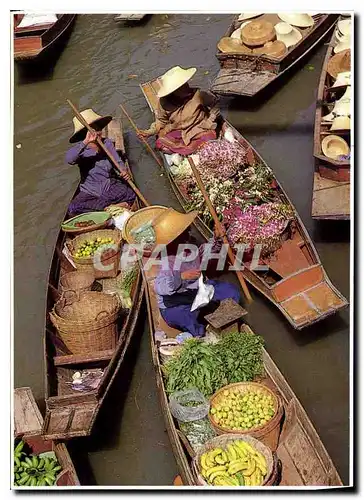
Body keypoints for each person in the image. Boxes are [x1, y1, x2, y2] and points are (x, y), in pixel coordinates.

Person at [152, 208, 240, 337]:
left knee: (230, 291)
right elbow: (160, 287)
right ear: (177, 238)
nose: (189, 231)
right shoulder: (167, 260)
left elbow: (208, 251)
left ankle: (220, 324)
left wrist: (217, 238)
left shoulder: (190, 247)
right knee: (185, 318)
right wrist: (181, 277)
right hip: (176, 303)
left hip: (197, 292)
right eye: (186, 231)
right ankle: (201, 335)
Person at [65, 109, 136, 216]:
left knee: (130, 194)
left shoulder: (106, 143)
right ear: (86, 134)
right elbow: (69, 159)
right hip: (89, 191)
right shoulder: (81, 149)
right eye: (94, 130)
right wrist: (86, 142)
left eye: (98, 128)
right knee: (73, 208)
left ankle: (103, 209)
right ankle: (110, 208)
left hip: (108, 186)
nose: (98, 132)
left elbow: (117, 161)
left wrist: (123, 170)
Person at [138, 66, 219, 155]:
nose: (186, 87)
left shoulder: (198, 96)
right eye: (181, 87)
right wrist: (149, 132)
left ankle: (186, 150)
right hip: (179, 132)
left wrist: (209, 120)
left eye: (185, 84)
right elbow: (161, 121)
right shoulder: (164, 103)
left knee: (208, 138)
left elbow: (215, 103)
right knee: (160, 143)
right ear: (173, 92)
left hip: (199, 128)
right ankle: (186, 150)